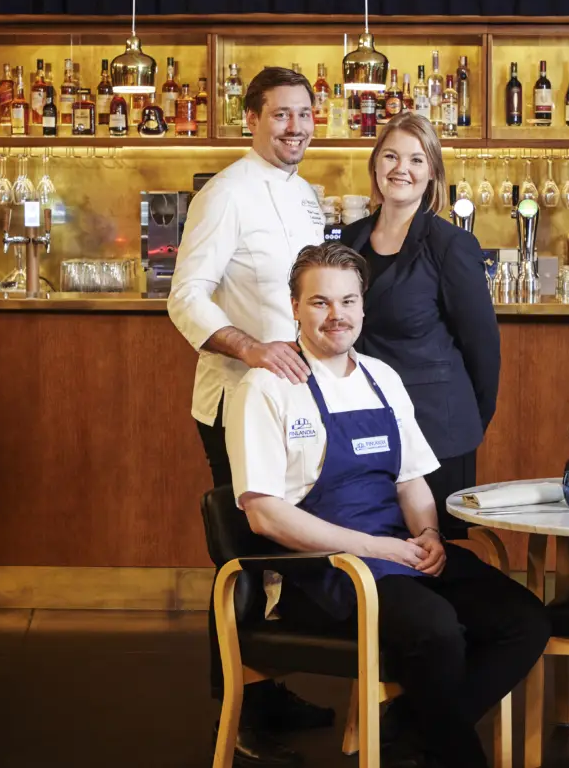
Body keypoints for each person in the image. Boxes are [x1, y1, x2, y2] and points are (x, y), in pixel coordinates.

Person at [228, 241, 549, 768]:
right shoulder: (266, 388)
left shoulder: (383, 378)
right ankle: (452, 754)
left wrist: (428, 535)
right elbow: (264, 514)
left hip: (400, 553)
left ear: (363, 306)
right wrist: (377, 548)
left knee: (525, 621)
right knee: (436, 629)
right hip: (324, 572)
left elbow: (411, 481)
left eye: (348, 301)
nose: (337, 315)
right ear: (295, 307)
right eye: (320, 302)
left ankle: (412, 731)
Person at [168, 66, 330, 767]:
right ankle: (237, 710)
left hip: (294, 404)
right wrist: (252, 349)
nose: (295, 127)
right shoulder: (225, 193)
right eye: (281, 115)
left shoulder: (307, 196)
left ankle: (270, 690)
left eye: (304, 114)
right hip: (236, 401)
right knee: (243, 558)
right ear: (252, 120)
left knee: (288, 555)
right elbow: (185, 296)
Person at [339, 112, 500, 538]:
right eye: (391, 156)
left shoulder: (451, 244)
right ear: (375, 164)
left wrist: (468, 421)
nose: (401, 169)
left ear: (432, 173)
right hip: (366, 423)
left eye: (415, 159)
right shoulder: (349, 240)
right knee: (376, 543)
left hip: (436, 430)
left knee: (437, 553)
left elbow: (483, 348)